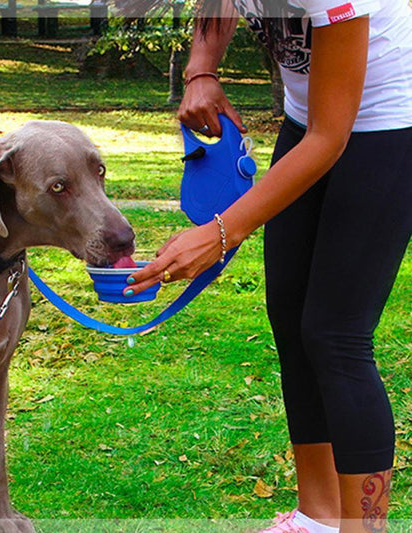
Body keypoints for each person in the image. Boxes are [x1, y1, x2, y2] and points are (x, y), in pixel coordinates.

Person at [122, 0, 412, 532]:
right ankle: (317, 517)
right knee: (290, 314)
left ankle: (365, 527)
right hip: (309, 121)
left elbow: (333, 138)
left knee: (336, 333)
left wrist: (221, 231)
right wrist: (201, 69)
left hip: (390, 125)